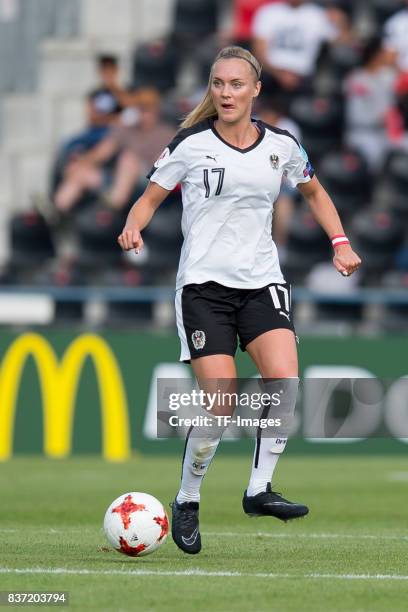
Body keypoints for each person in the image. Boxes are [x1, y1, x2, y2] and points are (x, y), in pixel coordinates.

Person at [117, 46, 361, 555]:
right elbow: (150, 197)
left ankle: (258, 489)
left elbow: (314, 192)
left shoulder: (281, 145)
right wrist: (133, 225)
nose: (226, 93)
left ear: (255, 91)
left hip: (261, 282)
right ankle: (187, 500)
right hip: (204, 286)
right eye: (218, 84)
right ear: (212, 89)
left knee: (285, 382)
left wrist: (340, 241)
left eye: (235, 84)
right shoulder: (189, 144)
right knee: (221, 403)